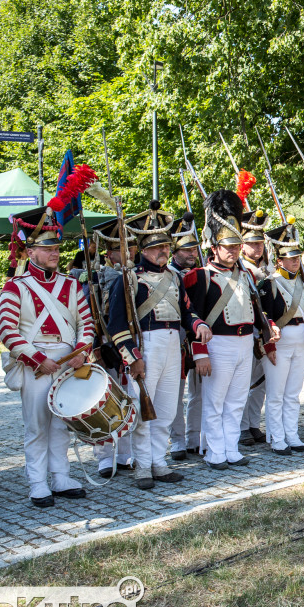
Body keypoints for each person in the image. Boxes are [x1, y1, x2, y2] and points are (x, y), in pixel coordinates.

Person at [0, 206, 94, 507]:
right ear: (30, 251)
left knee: (62, 423)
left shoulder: (71, 284)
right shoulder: (16, 286)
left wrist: (81, 352)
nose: (55, 252)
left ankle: (61, 476)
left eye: (56, 247)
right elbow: (6, 328)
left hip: (68, 362)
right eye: (47, 247)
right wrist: (37, 358)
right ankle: (38, 483)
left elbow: (86, 323)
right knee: (37, 425)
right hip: (35, 365)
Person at [108, 203, 211, 489]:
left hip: (171, 344)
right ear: (142, 249)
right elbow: (116, 325)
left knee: (166, 409)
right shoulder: (128, 279)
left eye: (165, 246)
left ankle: (158, 461)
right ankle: (142, 465)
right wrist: (133, 358)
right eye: (155, 248)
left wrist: (198, 325)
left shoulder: (174, 278)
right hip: (146, 345)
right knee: (144, 410)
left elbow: (186, 310)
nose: (162, 252)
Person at [184, 186, 279, 468]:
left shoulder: (247, 274)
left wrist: (268, 329)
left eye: (237, 246)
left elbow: (257, 309)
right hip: (218, 344)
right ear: (214, 247)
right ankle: (214, 451)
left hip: (244, 342)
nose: (234, 251)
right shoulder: (198, 277)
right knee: (214, 401)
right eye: (228, 247)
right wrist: (200, 352)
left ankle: (230, 447)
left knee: (236, 399)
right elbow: (192, 316)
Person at [256, 218, 304, 454]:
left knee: (293, 393)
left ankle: (292, 435)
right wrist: (269, 347)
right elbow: (263, 319)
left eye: (297, 257)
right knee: (276, 394)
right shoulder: (268, 284)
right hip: (279, 344)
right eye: (290, 258)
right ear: (279, 260)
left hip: (301, 341)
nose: (295, 261)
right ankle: (277, 438)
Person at [86, 218, 136, 476]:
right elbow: (88, 317)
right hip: (105, 349)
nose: (128, 253)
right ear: (109, 253)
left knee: (129, 403)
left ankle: (127, 453)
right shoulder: (95, 279)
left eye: (131, 247)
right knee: (105, 405)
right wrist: (94, 349)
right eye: (121, 248)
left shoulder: (138, 277)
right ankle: (105, 457)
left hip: (133, 346)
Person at [168, 215, 204, 459]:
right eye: (187, 249)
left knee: (200, 391)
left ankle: (195, 438)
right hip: (177, 337)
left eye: (194, 248)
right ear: (175, 250)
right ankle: (177, 442)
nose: (192, 253)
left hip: (200, 335)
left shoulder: (202, 273)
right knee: (174, 393)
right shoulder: (169, 275)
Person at [239, 208, 270, 447]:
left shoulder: (267, 268)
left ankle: (252, 423)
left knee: (261, 382)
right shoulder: (240, 269)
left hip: (267, 331)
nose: (257, 247)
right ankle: (241, 427)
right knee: (246, 382)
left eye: (260, 243)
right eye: (252, 243)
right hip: (249, 330)